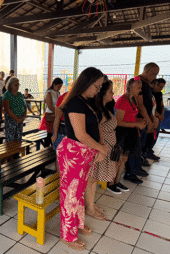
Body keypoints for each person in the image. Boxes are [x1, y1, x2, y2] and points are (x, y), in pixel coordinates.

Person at [57, 67, 107, 250]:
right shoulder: (75, 103)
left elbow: (98, 125)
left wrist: (100, 148)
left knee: (78, 193)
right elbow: (81, 134)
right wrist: (101, 148)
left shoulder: (90, 101)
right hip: (74, 153)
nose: (98, 90)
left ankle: (77, 224)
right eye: (97, 86)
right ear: (86, 83)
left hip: (86, 153)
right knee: (70, 195)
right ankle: (67, 235)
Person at [86, 80, 115, 220]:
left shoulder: (103, 108)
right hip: (97, 149)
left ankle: (91, 204)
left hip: (103, 149)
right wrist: (101, 148)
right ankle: (90, 208)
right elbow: (97, 130)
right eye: (110, 91)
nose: (113, 93)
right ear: (102, 93)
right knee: (91, 179)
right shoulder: (97, 111)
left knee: (94, 179)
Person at [114, 78, 145, 192]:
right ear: (131, 86)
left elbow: (130, 116)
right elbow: (118, 121)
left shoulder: (132, 99)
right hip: (122, 133)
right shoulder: (122, 101)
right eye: (138, 87)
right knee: (117, 160)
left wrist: (139, 121)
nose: (140, 90)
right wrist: (136, 123)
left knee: (124, 159)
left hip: (130, 133)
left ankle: (117, 182)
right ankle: (111, 183)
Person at [3, 77, 28, 142]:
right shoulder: (7, 94)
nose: (17, 87)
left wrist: (23, 117)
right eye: (15, 85)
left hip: (20, 120)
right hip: (11, 120)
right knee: (11, 140)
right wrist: (17, 119)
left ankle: (18, 152)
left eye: (18, 85)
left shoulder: (19, 94)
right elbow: (7, 109)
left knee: (18, 139)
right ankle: (11, 152)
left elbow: (25, 106)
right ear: (10, 85)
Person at [43, 78, 64, 147]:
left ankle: (52, 147)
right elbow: (50, 106)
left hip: (56, 115)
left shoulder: (58, 92)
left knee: (55, 132)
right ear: (54, 84)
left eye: (60, 87)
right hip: (50, 115)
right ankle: (48, 147)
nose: (59, 88)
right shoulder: (49, 92)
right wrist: (59, 112)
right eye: (58, 86)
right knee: (50, 133)